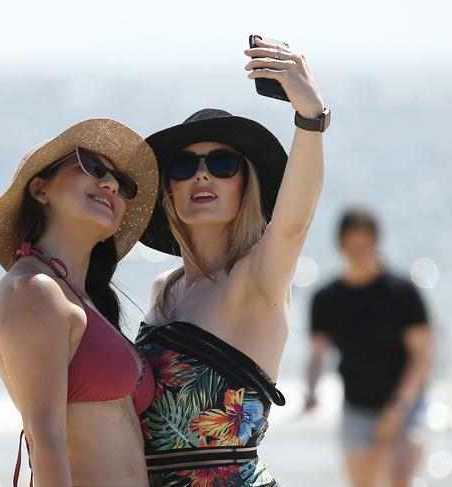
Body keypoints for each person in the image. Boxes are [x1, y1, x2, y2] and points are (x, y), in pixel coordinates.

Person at [136, 37, 328, 486]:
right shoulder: (164, 288)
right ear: (168, 191)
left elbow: (293, 224)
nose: (201, 174)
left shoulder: (256, 278)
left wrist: (311, 118)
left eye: (222, 163)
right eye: (183, 167)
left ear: (247, 184)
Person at [0, 118, 159, 486]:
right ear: (40, 190)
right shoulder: (32, 289)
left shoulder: (82, 300)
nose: (111, 183)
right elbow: (45, 438)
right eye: (92, 166)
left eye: (122, 183)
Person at [304, 208, 433, 487]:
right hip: (356, 407)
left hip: (406, 405)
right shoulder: (326, 299)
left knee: (400, 481)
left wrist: (396, 408)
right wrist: (312, 391)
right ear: (340, 246)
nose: (358, 252)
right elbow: (317, 356)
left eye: (364, 244)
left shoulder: (402, 293)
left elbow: (422, 357)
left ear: (376, 243)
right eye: (351, 245)